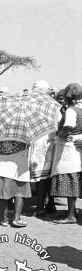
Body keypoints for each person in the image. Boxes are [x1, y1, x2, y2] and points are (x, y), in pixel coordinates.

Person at [50, 83, 82, 224]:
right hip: (77, 148)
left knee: (70, 181)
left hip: (68, 149)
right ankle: (72, 212)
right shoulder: (80, 109)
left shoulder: (71, 110)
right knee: (74, 180)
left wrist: (61, 134)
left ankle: (70, 215)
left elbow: (68, 125)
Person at [28, 80, 58, 216]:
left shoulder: (27, 102)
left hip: (33, 141)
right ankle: (49, 203)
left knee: (37, 176)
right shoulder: (54, 105)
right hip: (50, 142)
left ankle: (39, 206)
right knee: (48, 175)